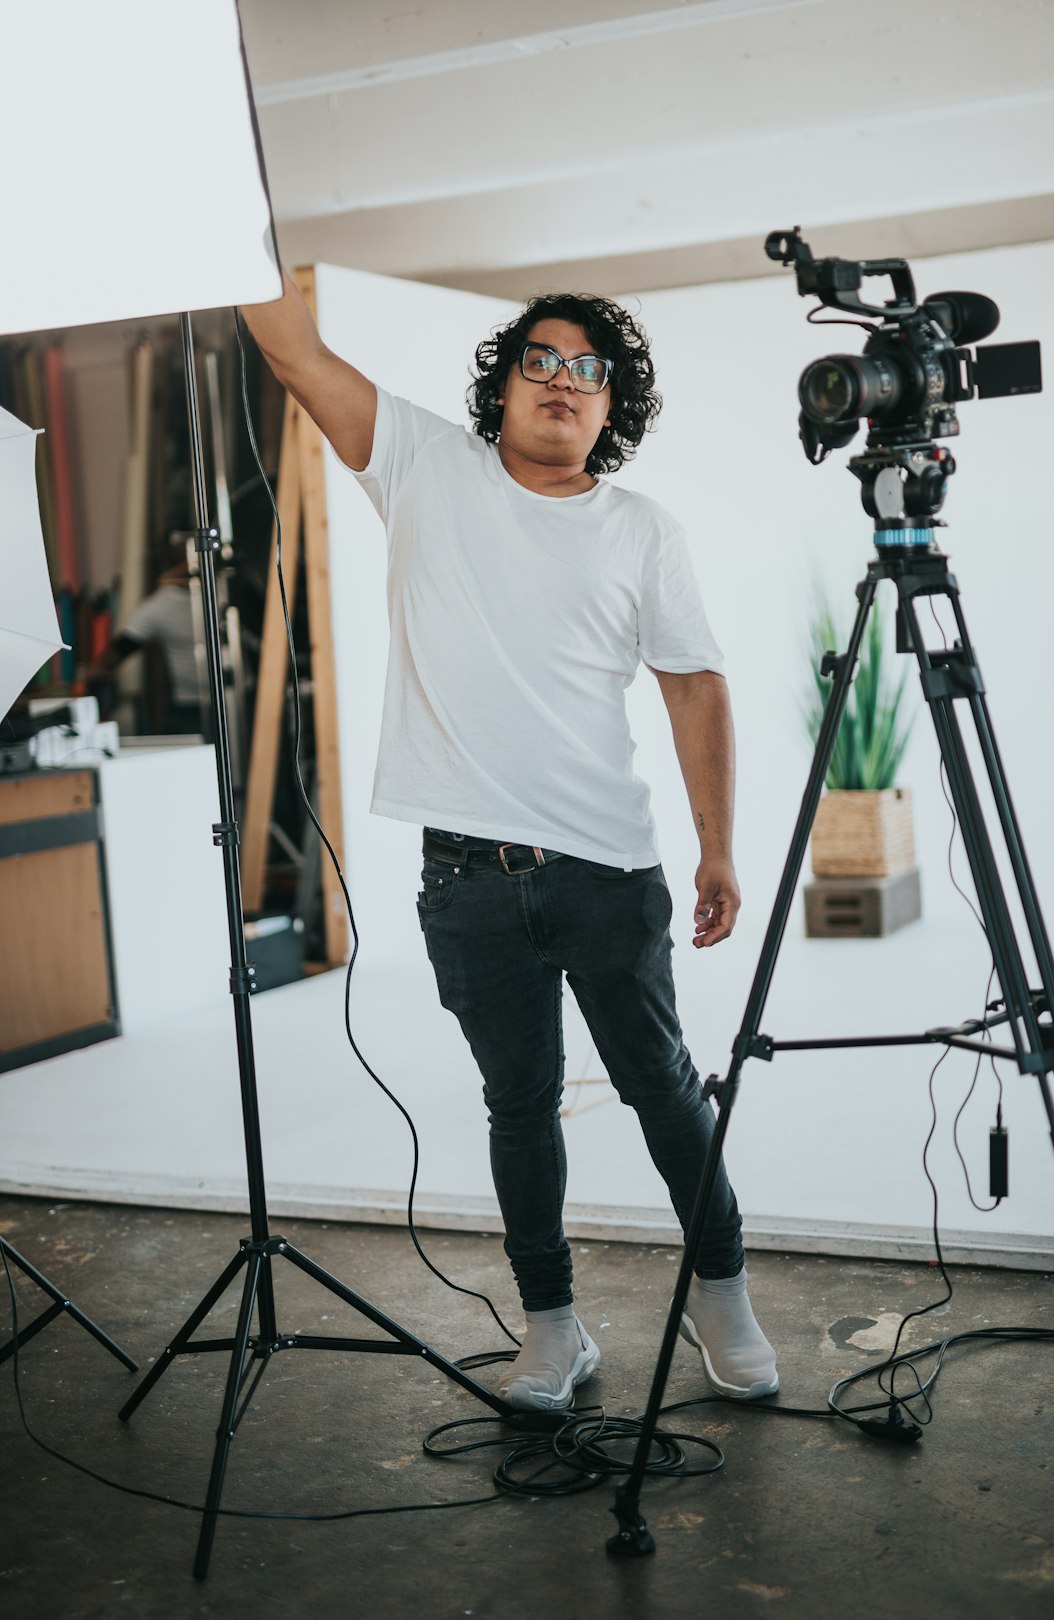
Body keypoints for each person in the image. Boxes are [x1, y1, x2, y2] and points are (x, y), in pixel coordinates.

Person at [240, 278, 778, 1412]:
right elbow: (291, 350)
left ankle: (724, 1303)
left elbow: (694, 686)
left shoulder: (642, 530)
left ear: (610, 405)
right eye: (543, 359)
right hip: (467, 879)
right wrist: (250, 228)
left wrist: (715, 846)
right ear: (504, 381)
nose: (563, 383)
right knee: (517, 1106)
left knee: (665, 1090)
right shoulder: (426, 466)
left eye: (590, 370)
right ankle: (553, 1331)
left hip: (608, 871)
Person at [83, 554, 202, 735]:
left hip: (217, 698)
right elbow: (122, 647)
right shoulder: (158, 607)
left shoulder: (219, 590)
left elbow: (120, 649)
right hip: (192, 702)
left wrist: (94, 670)